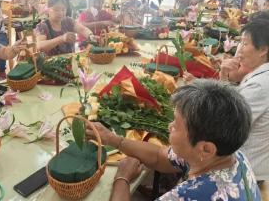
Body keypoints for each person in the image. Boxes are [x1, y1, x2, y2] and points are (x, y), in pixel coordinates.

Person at [86, 79, 261, 200]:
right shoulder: (229, 155)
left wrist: (122, 178)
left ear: (206, 149)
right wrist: (113, 139)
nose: (169, 126)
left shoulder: (194, 195)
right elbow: (159, 156)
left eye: (176, 125)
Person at [220, 19, 269, 183]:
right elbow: (234, 102)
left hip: (245, 172)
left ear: (263, 50)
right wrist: (223, 76)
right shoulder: (260, 75)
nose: (239, 50)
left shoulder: (260, 85)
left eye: (245, 43)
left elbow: (223, 121)